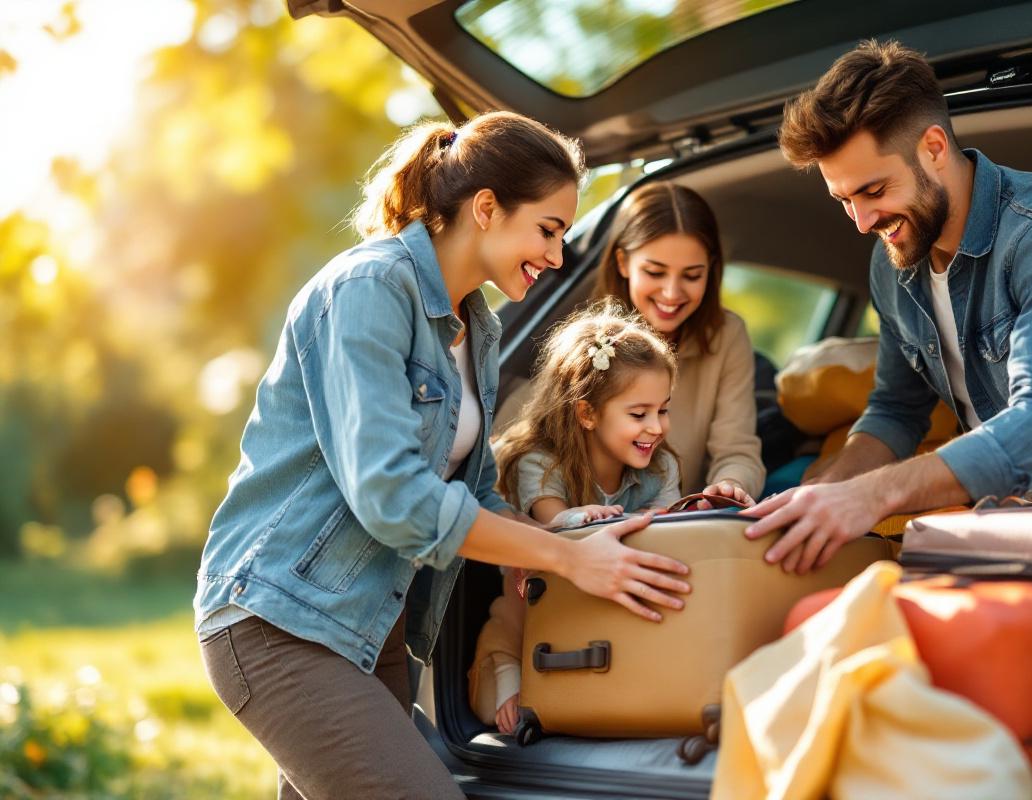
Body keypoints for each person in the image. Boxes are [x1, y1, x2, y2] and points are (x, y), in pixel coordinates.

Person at [194, 112, 692, 800]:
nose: (557, 257)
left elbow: (476, 491)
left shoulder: (476, 327)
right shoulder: (370, 288)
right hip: (282, 620)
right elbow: (393, 495)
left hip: (373, 626)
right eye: (548, 230)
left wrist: (570, 537)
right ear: (486, 208)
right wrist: (566, 558)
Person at [745, 40, 1032, 574]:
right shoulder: (892, 265)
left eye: (874, 190)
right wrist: (821, 494)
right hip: (1023, 526)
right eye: (844, 200)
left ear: (933, 148)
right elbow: (896, 412)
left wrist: (874, 494)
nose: (861, 221)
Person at [470, 300, 682, 732]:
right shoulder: (540, 462)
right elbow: (551, 529)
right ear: (587, 413)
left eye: (663, 410)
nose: (657, 427)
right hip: (535, 605)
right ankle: (506, 673)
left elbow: (669, 529)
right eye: (638, 414)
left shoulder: (661, 468)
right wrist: (581, 518)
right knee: (508, 623)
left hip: (614, 601)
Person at [594, 181, 766, 505]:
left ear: (710, 270)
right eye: (655, 272)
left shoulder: (727, 336)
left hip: (683, 521)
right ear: (623, 263)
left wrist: (729, 486)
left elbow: (737, 449)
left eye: (691, 276)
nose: (672, 293)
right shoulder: (590, 341)